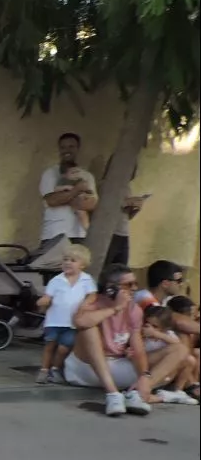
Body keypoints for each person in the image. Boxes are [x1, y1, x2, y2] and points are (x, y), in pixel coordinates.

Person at [65, 264, 190, 415]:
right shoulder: (93, 302)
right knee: (89, 328)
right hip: (86, 369)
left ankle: (138, 393)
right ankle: (113, 394)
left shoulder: (133, 309)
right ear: (111, 288)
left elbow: (137, 346)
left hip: (117, 365)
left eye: (135, 283)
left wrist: (144, 376)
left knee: (181, 350)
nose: (134, 288)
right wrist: (115, 308)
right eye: (128, 284)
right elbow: (80, 322)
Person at [34, 244, 97, 384]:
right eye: (65, 259)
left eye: (73, 260)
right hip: (54, 321)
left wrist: (85, 304)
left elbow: (92, 295)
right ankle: (44, 370)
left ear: (82, 265)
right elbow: (48, 296)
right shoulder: (56, 280)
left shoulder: (86, 280)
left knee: (64, 348)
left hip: (72, 323)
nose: (68, 262)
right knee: (49, 345)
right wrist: (43, 301)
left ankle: (55, 369)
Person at [39, 132, 98, 247]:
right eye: (63, 147)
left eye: (71, 146)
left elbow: (92, 204)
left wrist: (66, 197)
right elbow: (51, 201)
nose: (67, 150)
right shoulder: (50, 174)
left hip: (80, 235)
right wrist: (77, 190)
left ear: (78, 149)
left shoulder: (87, 176)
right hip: (54, 234)